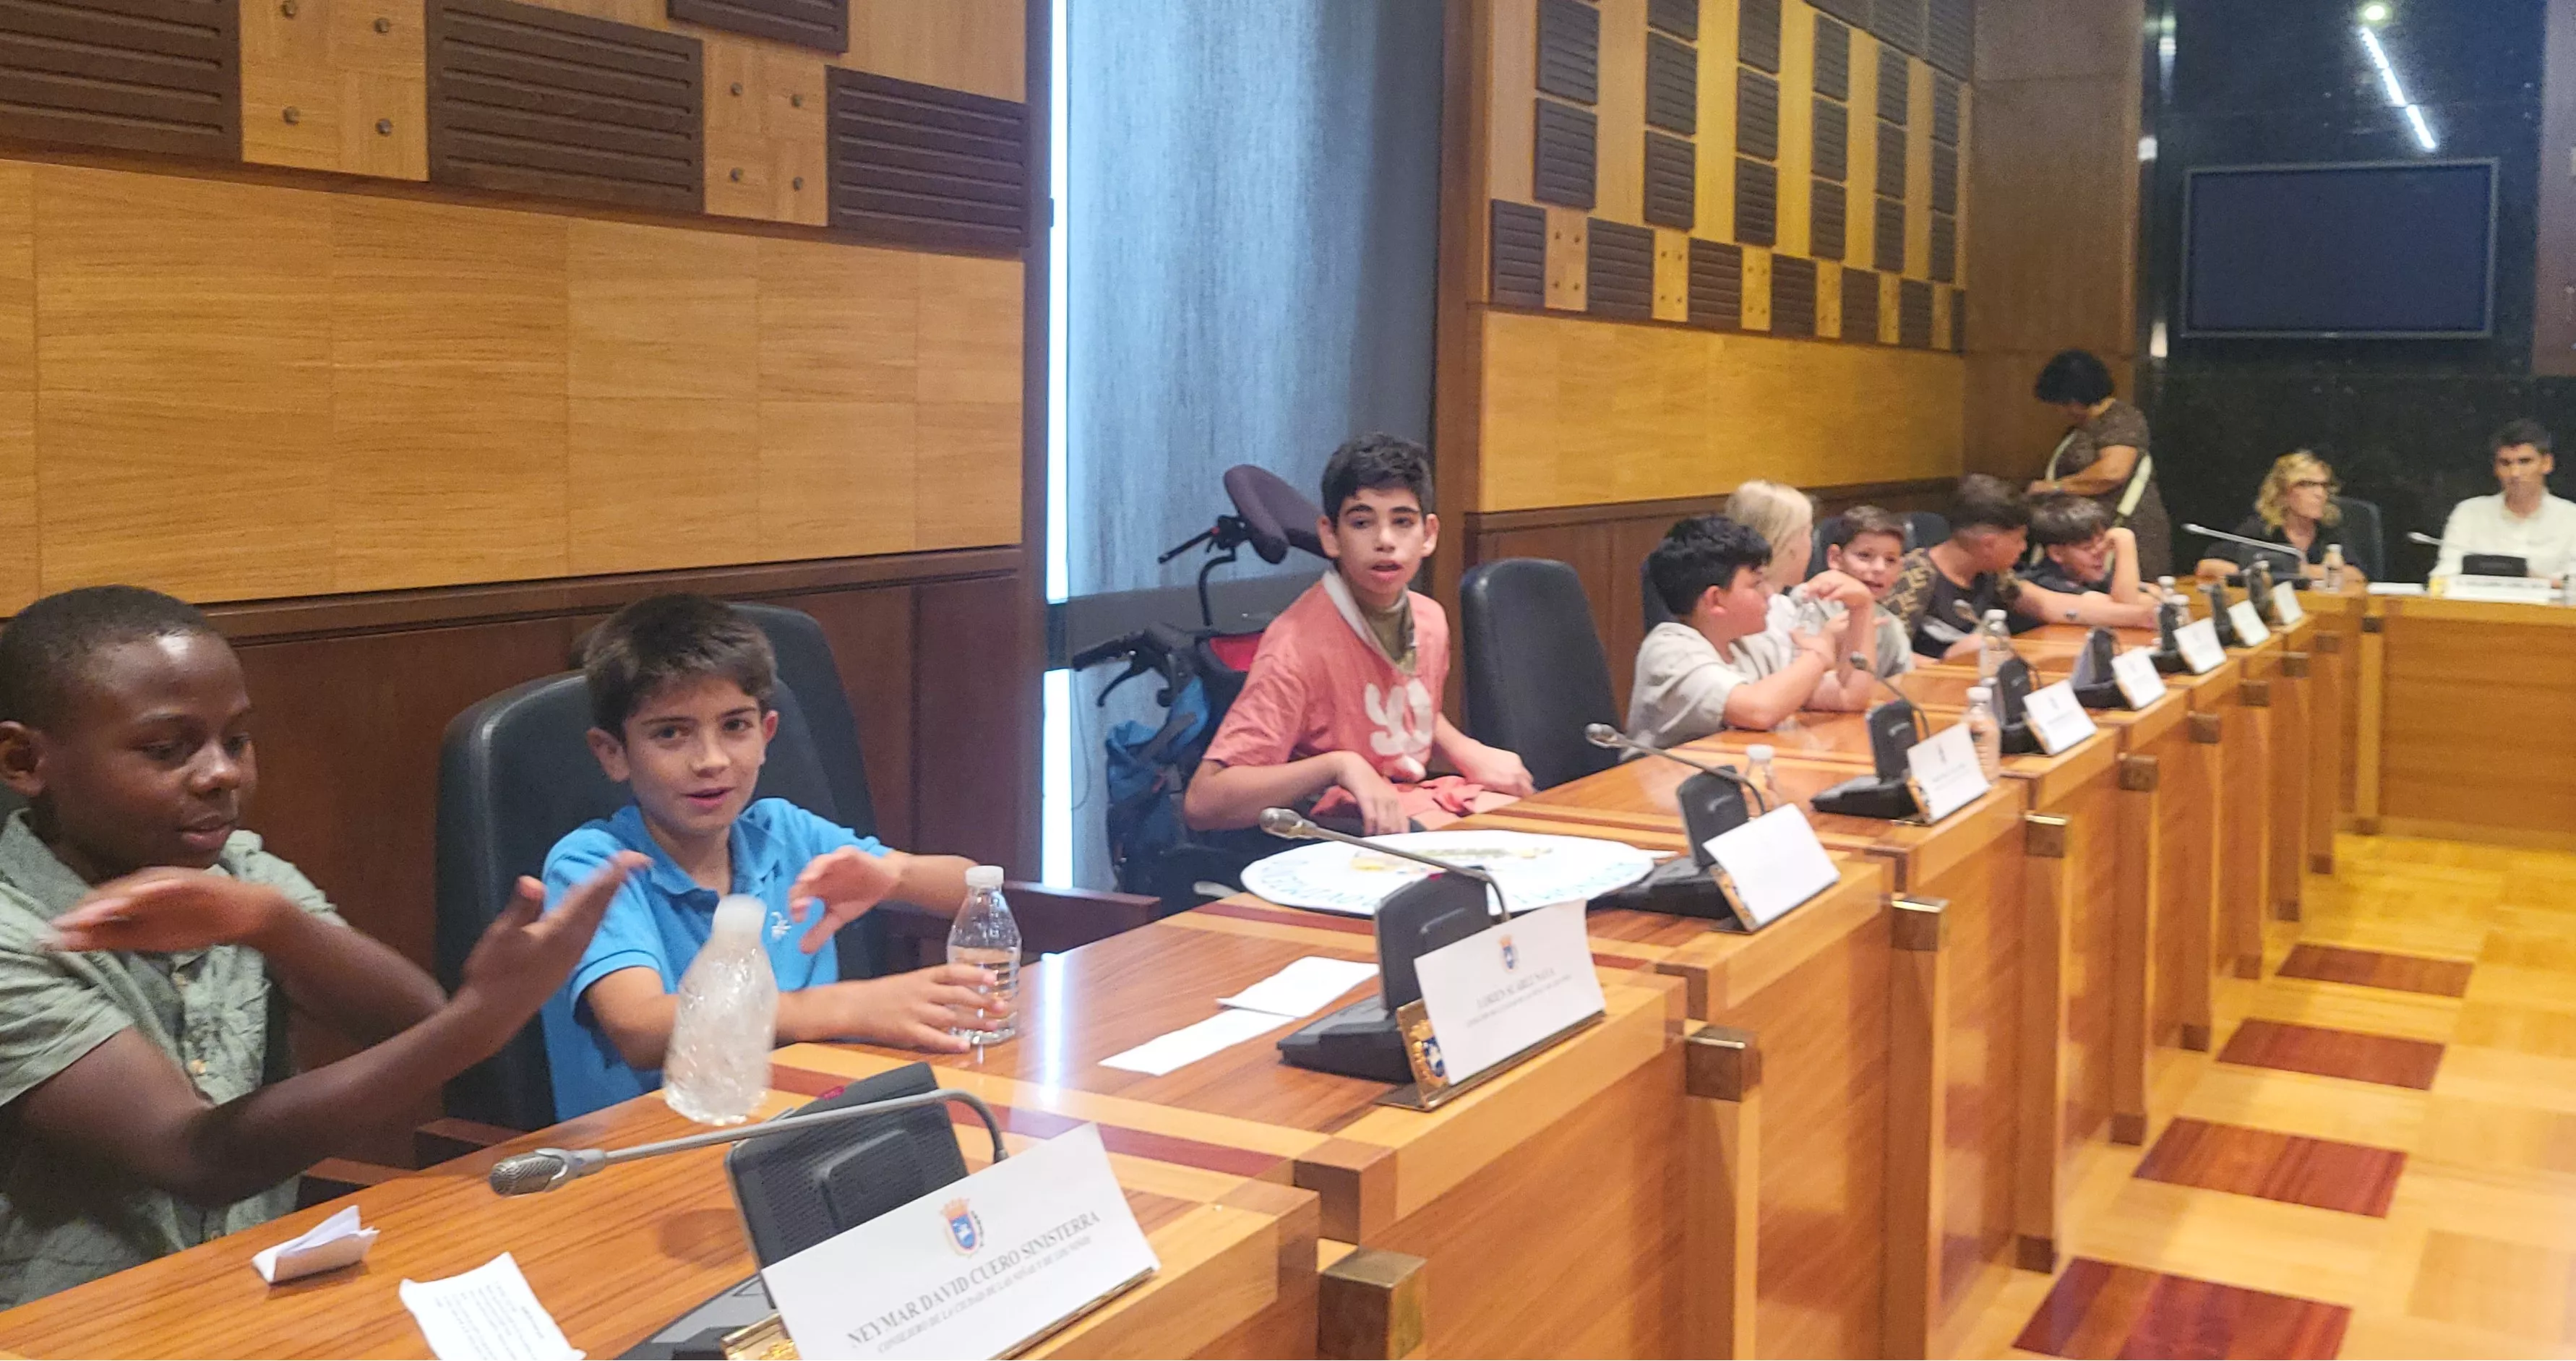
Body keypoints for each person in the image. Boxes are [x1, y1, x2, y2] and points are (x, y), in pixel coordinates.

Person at [0, 585, 645, 1308]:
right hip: (67, 1327)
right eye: (165, 748)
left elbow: (406, 1021)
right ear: (25, 759)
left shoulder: (242, 874)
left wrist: (273, 922)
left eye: (236, 739)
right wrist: (475, 1021)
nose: (222, 773)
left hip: (245, 1295)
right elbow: (196, 1153)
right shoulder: (10, 933)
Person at [542, 594, 1003, 1120]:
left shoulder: (782, 830)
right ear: (613, 753)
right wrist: (846, 1007)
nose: (711, 760)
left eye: (734, 726)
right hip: (655, 1146)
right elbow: (640, 1027)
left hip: (801, 1120)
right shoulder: (593, 865)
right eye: (671, 733)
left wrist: (895, 874)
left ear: (766, 735)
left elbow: (971, 885)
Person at [1182, 434, 1534, 836]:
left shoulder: (1429, 619)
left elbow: (1398, 710)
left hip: (1413, 799)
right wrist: (1339, 765)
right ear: (1330, 535)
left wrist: (1461, 747)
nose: (1385, 541)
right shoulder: (1296, 646)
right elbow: (1204, 802)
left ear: (1429, 533)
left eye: (1402, 522)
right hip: (1336, 836)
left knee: (1527, 820)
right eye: (1362, 522)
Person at [1628, 515, 1876, 745]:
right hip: (1660, 786)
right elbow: (1759, 710)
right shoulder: (1670, 651)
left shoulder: (1751, 642)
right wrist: (1818, 655)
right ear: (1715, 600)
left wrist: (1862, 608)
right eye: (1756, 584)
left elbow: (1848, 696)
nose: (1769, 594)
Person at [1888, 475, 2155, 660]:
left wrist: (2138, 617)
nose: (2024, 548)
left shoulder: (1994, 573)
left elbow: (2049, 606)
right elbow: (1885, 656)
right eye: (2018, 539)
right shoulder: (1914, 575)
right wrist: (1944, 661)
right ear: (1989, 543)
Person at [1723, 480, 1888, 678]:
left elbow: (1846, 697)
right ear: (1787, 543)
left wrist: (1862, 607)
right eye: (1808, 533)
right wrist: (1825, 645)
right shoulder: (1744, 615)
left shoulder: (1782, 607)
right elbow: (1761, 703)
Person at [2030, 348, 2171, 578]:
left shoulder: (2121, 419)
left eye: (2061, 403)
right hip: (2090, 534)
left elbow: (2112, 472)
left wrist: (2055, 487)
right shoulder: (2083, 427)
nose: (2059, 411)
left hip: (2122, 530)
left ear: (2073, 398)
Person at [2432, 419, 2576, 580]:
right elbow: (2443, 575)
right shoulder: (2469, 513)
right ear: (2495, 468)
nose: (2514, 473)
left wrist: (2537, 582)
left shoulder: (2571, 518)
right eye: (2505, 463)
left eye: (2524, 462)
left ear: (2547, 463)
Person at [2192, 450, 2362, 582]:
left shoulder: (2328, 529)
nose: (2320, 494)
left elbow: (2356, 575)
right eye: (2307, 485)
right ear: (2283, 494)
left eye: (2323, 486)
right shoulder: (2263, 529)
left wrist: (2297, 571)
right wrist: (2259, 574)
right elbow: (2207, 567)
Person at [2023, 494, 2159, 626]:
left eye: (2103, 542)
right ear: (2057, 553)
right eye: (2087, 548)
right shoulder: (2045, 581)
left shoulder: (2088, 575)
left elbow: (2155, 599)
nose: (2100, 552)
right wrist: (2125, 542)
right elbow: (2128, 611)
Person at [1818, 504, 1917, 679]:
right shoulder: (1809, 605)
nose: (1880, 568)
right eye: (1864, 556)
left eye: (1890, 560)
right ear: (1835, 558)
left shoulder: (1892, 627)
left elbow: (1904, 686)